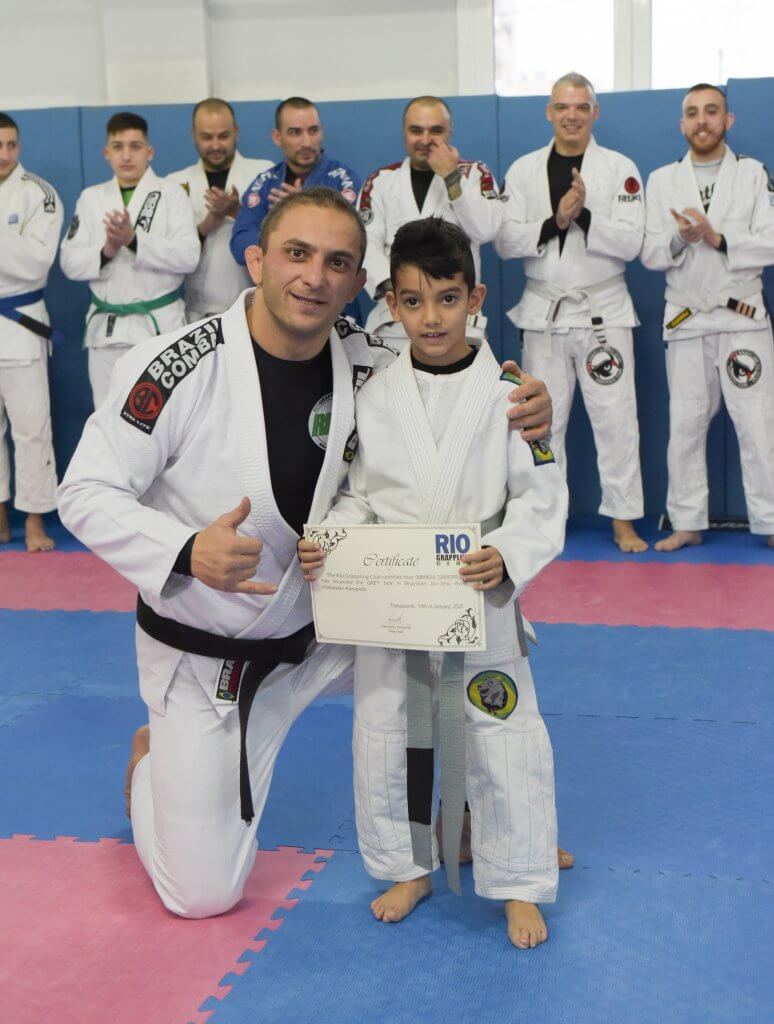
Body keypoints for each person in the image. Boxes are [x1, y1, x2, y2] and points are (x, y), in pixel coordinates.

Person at [57, 187, 554, 920]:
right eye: (297, 254)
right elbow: (83, 490)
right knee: (202, 895)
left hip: (326, 635)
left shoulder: (370, 358)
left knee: (472, 656)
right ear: (257, 260)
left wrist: (525, 398)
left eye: (337, 262)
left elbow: (455, 369)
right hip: (215, 657)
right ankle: (155, 763)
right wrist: (186, 550)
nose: (315, 276)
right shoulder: (174, 365)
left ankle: (486, 825)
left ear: (359, 285)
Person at [299, 218, 567, 949]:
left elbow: (542, 497)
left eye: (448, 299)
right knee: (386, 734)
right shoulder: (376, 394)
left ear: (475, 298)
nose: (432, 318)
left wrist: (506, 552)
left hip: (482, 593)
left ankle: (517, 878)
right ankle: (407, 865)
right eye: (413, 302)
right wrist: (334, 542)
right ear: (390, 303)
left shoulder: (512, 394)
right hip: (394, 599)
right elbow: (358, 494)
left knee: (503, 736)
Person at [496, 72, 648, 553]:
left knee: (616, 419)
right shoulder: (523, 171)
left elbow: (633, 242)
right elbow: (505, 241)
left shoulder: (620, 168)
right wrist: (556, 220)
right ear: (549, 112)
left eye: (582, 106)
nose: (572, 115)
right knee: (543, 423)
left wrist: (584, 215)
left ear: (594, 112)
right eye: (563, 106)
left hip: (605, 311)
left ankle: (623, 519)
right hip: (544, 312)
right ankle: (547, 519)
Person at [641, 83, 774, 550]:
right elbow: (650, 252)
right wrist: (680, 238)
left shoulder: (754, 174)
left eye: (712, 111)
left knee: (758, 421)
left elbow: (771, 240)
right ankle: (687, 521)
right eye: (694, 113)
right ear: (683, 124)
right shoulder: (662, 180)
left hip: (742, 316)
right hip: (687, 317)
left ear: (727, 120)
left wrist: (718, 239)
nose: (702, 120)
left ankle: (771, 520)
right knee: (686, 422)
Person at [60, 112, 200, 408]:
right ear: (106, 153)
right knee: (107, 417)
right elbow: (70, 262)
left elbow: (189, 256)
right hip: (106, 331)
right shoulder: (91, 198)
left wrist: (134, 241)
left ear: (149, 152)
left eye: (135, 146)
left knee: (165, 416)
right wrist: (107, 250)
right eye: (118, 146)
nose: (126, 155)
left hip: (158, 328)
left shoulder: (172, 194)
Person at [358, 95, 502, 346]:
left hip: (457, 317)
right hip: (395, 321)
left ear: (449, 131)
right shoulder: (380, 181)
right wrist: (407, 294)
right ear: (404, 132)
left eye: (435, 131)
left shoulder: (474, 173)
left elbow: (487, 229)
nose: (425, 140)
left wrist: (451, 177)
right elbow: (365, 246)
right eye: (416, 131)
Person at [0, 112, 62, 552]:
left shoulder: (40, 193)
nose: (4, 154)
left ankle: (36, 518)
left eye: (11, 145)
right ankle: (0, 515)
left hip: (20, 320)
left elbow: (38, 262)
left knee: (31, 427)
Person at [168, 98, 273, 322]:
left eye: (224, 136)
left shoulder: (264, 174)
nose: (215, 145)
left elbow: (278, 240)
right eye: (207, 137)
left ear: (236, 132)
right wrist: (207, 225)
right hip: (197, 312)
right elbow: (170, 253)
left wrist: (237, 211)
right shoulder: (174, 184)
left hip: (253, 309)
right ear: (194, 135)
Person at [229, 97, 361, 267]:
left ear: (321, 131)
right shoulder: (264, 184)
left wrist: (306, 211)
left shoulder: (344, 181)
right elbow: (240, 246)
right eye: (295, 133)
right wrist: (284, 227)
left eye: (313, 131)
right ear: (277, 137)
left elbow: (349, 241)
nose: (307, 142)